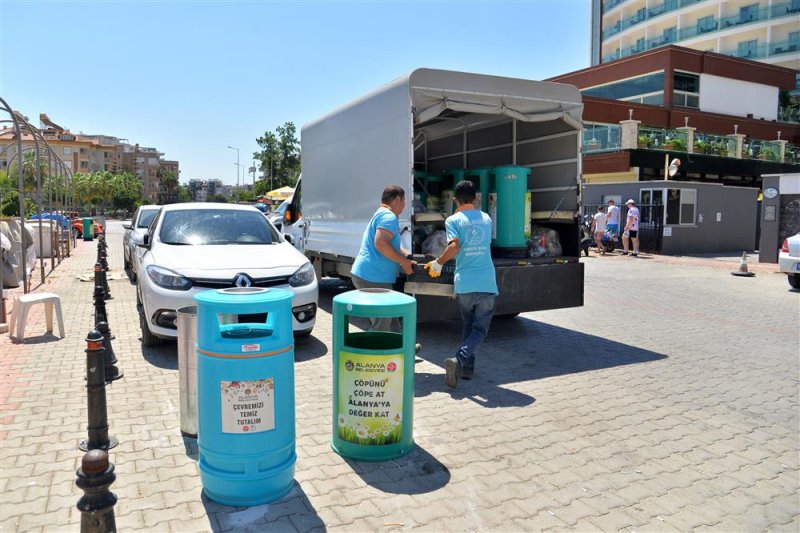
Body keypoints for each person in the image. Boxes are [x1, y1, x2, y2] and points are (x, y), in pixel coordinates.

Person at [425, 180, 497, 389]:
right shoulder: (486, 218)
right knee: (480, 330)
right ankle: (459, 359)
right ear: (476, 199)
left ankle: (465, 370)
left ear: (455, 200)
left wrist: (438, 262)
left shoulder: (453, 220)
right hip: (486, 282)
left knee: (468, 325)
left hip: (464, 283)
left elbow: (454, 246)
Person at [351, 185, 416, 331]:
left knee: (391, 320)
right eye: (404, 201)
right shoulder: (389, 216)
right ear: (397, 199)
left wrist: (407, 256)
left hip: (372, 276)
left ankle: (404, 349)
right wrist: (402, 262)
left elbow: (391, 244)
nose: (405, 205)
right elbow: (380, 243)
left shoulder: (382, 214)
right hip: (373, 277)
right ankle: (371, 352)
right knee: (382, 324)